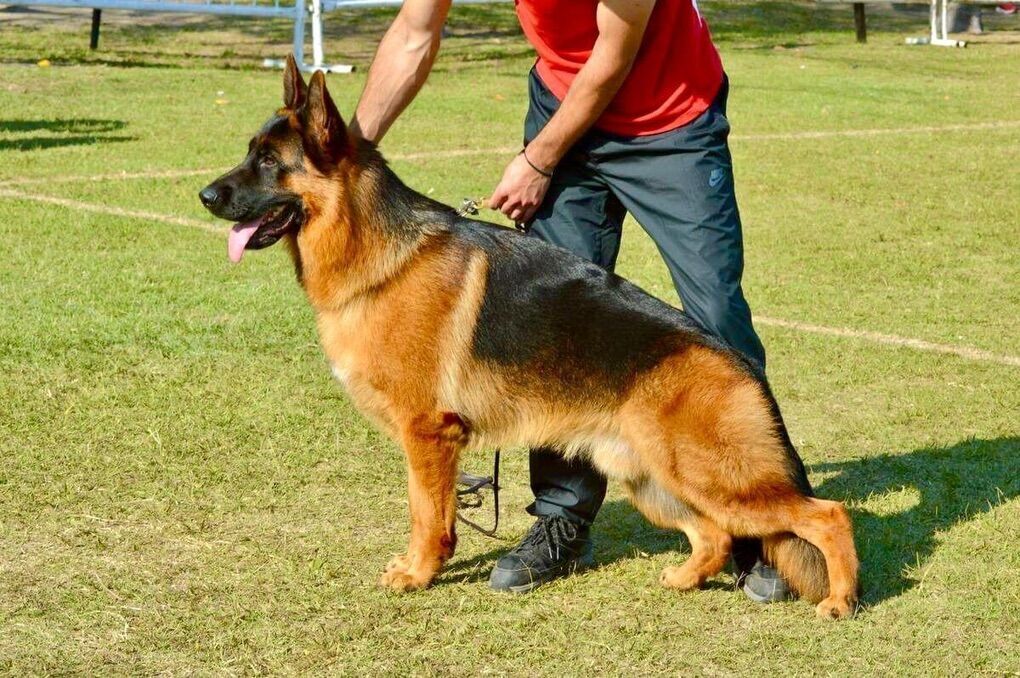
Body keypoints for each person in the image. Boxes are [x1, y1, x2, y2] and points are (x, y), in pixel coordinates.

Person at [349, 0, 790, 602]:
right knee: (548, 320)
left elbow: (614, 53)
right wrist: (345, 151)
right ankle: (562, 516)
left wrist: (538, 159)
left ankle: (768, 523)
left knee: (715, 317)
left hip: (671, 118)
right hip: (563, 104)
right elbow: (414, 31)